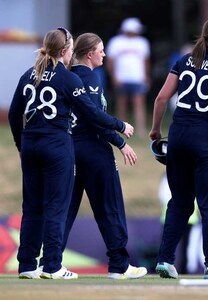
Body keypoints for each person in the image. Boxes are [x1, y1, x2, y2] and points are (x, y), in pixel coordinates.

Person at [8, 27, 134, 280]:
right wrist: (120, 125)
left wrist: (21, 146)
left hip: (31, 146)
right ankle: (53, 265)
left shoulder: (28, 75)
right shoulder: (67, 78)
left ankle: (27, 265)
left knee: (31, 207)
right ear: (65, 51)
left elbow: (13, 114)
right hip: (56, 146)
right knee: (56, 205)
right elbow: (91, 113)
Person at [149, 17, 208, 280]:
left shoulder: (184, 61)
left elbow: (161, 97)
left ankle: (165, 259)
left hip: (178, 137)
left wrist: (156, 129)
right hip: (206, 141)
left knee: (179, 202)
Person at [58, 32, 147, 279]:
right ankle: (119, 265)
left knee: (65, 209)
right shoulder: (90, 77)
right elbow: (94, 117)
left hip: (69, 151)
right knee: (110, 207)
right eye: (101, 50)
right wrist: (120, 141)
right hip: (95, 151)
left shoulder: (64, 77)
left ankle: (51, 262)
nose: (105, 54)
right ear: (90, 54)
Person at [106, 17, 150, 137]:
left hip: (138, 78)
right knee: (122, 103)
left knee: (139, 103)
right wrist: (114, 77)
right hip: (121, 77)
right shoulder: (116, 42)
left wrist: (146, 75)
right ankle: (122, 128)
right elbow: (110, 61)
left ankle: (140, 130)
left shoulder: (142, 42)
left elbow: (146, 60)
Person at [158, 172, 200, 274]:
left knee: (171, 245)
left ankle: (169, 266)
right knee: (184, 247)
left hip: (174, 217)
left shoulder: (169, 175)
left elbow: (162, 195)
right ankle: (181, 270)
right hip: (187, 217)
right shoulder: (196, 174)